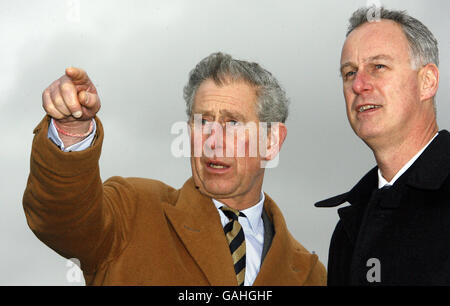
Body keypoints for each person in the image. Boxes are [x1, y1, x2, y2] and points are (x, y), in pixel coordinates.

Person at [23, 52, 326, 286]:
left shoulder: (312, 274)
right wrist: (72, 128)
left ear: (271, 141)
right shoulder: (133, 210)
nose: (213, 140)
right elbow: (62, 220)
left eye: (232, 123)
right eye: (203, 122)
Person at [315, 7, 449, 285]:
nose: (359, 85)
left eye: (378, 66)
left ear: (427, 82)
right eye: (349, 72)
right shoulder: (349, 226)